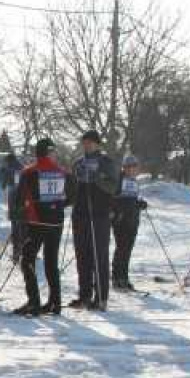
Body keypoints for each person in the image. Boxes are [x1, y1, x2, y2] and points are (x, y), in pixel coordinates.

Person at [13, 138, 75, 317]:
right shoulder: (62, 172)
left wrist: (21, 211)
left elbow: (18, 199)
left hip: (36, 222)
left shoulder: (29, 172)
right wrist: (59, 205)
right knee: (51, 263)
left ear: (37, 153)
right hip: (56, 223)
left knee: (27, 260)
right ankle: (55, 303)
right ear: (51, 153)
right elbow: (73, 194)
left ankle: (34, 302)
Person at [70, 130, 119, 310]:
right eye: (85, 142)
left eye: (91, 142)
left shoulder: (106, 162)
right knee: (82, 256)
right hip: (81, 214)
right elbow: (72, 186)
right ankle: (84, 296)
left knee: (99, 256)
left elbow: (113, 187)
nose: (87, 145)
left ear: (98, 144)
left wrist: (96, 177)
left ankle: (101, 297)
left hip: (99, 214)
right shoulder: (78, 162)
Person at [111, 155, 149, 292]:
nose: (132, 169)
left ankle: (124, 278)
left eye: (134, 167)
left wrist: (140, 204)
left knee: (127, 250)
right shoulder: (119, 180)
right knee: (121, 248)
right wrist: (118, 211)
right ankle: (116, 278)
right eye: (129, 167)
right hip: (121, 220)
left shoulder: (134, 181)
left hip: (133, 219)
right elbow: (113, 199)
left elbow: (132, 200)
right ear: (124, 167)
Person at [1, 151, 25, 264]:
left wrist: (3, 184)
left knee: (15, 226)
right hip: (23, 198)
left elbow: (3, 182)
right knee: (22, 225)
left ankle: (16, 253)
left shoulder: (9, 168)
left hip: (13, 196)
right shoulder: (22, 167)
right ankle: (24, 249)